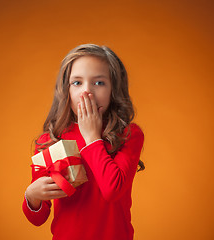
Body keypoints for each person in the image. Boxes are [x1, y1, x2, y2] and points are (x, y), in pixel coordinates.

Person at [22, 43, 145, 240]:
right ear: (66, 90)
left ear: (114, 89)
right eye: (77, 83)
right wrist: (32, 196)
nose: (86, 92)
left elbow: (112, 191)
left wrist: (92, 137)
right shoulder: (50, 139)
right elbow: (37, 218)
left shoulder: (129, 134)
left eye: (99, 83)